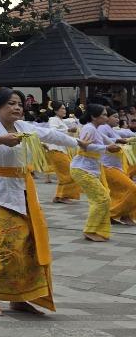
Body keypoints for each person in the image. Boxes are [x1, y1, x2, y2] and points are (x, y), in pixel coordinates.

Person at [0, 88, 76, 316]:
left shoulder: (24, 127)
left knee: (29, 244)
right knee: (10, 245)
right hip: (0, 193)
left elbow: (49, 135)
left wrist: (78, 142)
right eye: (11, 103)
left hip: (25, 192)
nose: (17, 107)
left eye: (20, 103)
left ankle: (20, 297)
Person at [69, 104, 114, 242]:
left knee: (103, 198)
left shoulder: (95, 129)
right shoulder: (89, 128)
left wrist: (119, 142)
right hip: (82, 169)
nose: (106, 117)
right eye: (104, 114)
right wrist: (107, 148)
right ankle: (90, 230)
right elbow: (85, 146)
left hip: (89, 169)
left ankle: (97, 229)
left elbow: (109, 140)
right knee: (102, 199)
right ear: (94, 116)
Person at [98, 109, 136, 226]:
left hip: (115, 166)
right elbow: (102, 138)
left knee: (121, 193)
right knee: (133, 189)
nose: (117, 119)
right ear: (107, 118)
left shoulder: (112, 129)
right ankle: (110, 214)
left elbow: (126, 133)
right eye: (114, 117)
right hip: (108, 167)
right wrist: (117, 141)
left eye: (118, 117)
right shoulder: (102, 128)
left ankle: (125, 216)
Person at [46, 102, 80, 202]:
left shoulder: (61, 121)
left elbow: (72, 121)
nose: (64, 110)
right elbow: (53, 131)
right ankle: (62, 196)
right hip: (56, 150)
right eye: (62, 109)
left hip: (60, 150)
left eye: (65, 109)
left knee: (65, 174)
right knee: (68, 174)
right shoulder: (53, 119)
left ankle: (59, 196)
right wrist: (68, 130)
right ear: (56, 110)